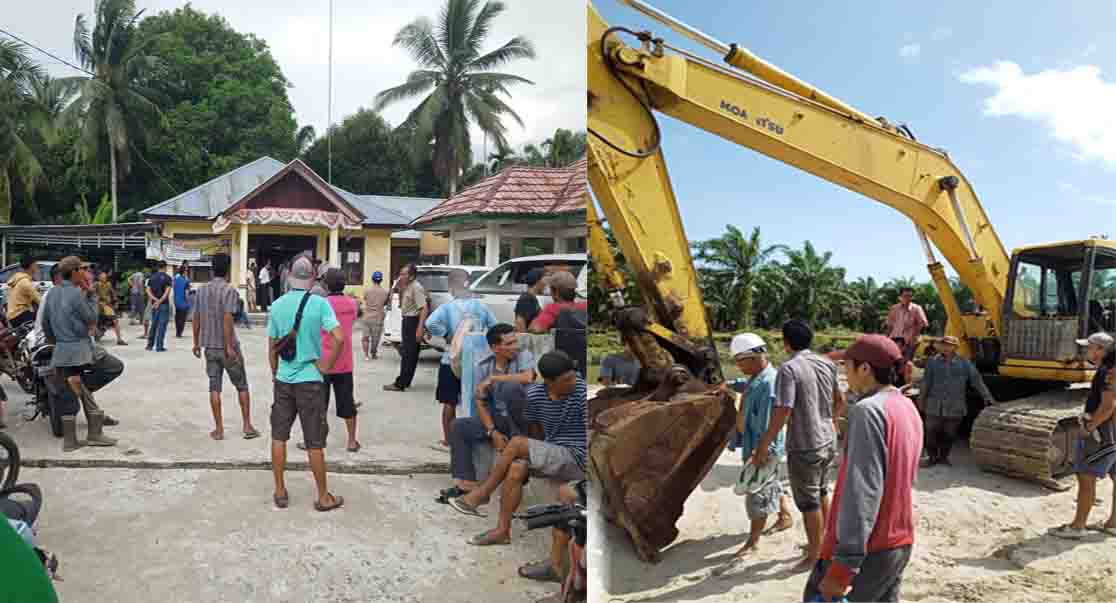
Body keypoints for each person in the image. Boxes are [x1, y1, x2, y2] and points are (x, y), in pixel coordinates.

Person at [802, 335, 922, 603]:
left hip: (869, 548)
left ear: (865, 369)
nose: (845, 373)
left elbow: (862, 492)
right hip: (899, 543)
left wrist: (844, 564)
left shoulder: (868, 411)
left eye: (847, 366)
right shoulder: (907, 406)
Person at [449, 351, 587, 547]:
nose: (573, 381)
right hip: (556, 453)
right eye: (566, 379)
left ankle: (482, 493)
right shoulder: (536, 396)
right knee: (517, 467)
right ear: (549, 382)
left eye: (573, 376)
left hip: (580, 456)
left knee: (517, 443)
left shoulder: (580, 392)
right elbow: (536, 431)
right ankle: (502, 531)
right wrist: (537, 453)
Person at [751, 319, 845, 572]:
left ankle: (815, 556)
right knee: (822, 491)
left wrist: (763, 445)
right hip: (828, 440)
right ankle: (824, 545)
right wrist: (832, 423)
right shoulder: (827, 363)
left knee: (808, 502)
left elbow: (783, 410)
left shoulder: (789, 369)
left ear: (786, 342)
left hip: (805, 444)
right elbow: (840, 400)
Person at [267, 256, 345, 512]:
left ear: (289, 276)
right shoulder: (320, 304)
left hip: (284, 381)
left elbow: (272, 348)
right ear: (312, 278)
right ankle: (323, 497)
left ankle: (280, 491)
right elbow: (339, 338)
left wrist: (277, 373)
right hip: (311, 381)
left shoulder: (277, 305)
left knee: (279, 437)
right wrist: (325, 365)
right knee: (314, 442)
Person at [440, 323, 535, 501]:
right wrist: (493, 432)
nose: (515, 346)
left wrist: (494, 378)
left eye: (515, 341)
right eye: (509, 343)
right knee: (458, 427)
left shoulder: (523, 356)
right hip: (498, 418)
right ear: (495, 348)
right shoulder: (483, 365)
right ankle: (466, 485)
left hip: (522, 418)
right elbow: (480, 401)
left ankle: (519, 456)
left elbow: (528, 377)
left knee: (511, 388)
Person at [721, 333, 794, 558]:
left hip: (762, 447)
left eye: (739, 362)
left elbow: (766, 426)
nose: (738, 367)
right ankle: (785, 516)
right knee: (769, 482)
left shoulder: (768, 385)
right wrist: (730, 384)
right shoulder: (757, 377)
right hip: (755, 443)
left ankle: (753, 541)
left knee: (756, 492)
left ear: (753, 358)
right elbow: (746, 385)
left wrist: (761, 452)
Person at [41, 256, 120, 451]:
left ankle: (72, 441)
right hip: (79, 351)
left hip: (61, 350)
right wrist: (91, 296)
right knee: (93, 378)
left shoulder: (52, 293)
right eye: (82, 269)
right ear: (75, 272)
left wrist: (55, 342)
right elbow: (92, 318)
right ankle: (94, 434)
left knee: (71, 391)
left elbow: (45, 323)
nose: (85, 272)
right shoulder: (76, 294)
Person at [1050, 332, 1116, 539]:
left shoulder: (1107, 373)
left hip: (1102, 433)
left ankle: (1078, 526)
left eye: (1089, 347)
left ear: (1100, 350)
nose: (1086, 351)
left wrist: (1089, 427)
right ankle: (1113, 524)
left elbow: (1107, 406)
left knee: (1086, 478)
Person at [423, 269, 498, 447]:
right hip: (477, 361)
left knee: (449, 402)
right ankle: (477, 436)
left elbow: (430, 323)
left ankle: (449, 440)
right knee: (477, 399)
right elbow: (495, 326)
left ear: (451, 287)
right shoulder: (481, 306)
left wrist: (447, 333)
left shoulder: (447, 307)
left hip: (451, 359)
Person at [192, 253, 259, 442]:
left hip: (209, 347)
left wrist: (196, 343)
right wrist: (230, 346)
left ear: (212, 268)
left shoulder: (201, 290)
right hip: (227, 347)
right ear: (227, 269)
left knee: (214, 387)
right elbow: (228, 318)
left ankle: (219, 429)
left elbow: (196, 318)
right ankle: (247, 426)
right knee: (242, 385)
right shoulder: (229, 291)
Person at [296, 268, 361, 453]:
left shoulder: (319, 304)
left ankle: (314, 440)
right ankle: (351, 441)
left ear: (325, 284)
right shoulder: (352, 304)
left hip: (322, 363)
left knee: (317, 404)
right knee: (347, 402)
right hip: (345, 362)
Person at [918, 335, 995, 467]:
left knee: (950, 433)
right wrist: (921, 400)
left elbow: (976, 381)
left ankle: (943, 457)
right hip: (934, 404)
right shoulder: (932, 362)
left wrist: (988, 397)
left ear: (955, 347)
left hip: (955, 405)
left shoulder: (965, 363)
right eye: (944, 344)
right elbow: (926, 383)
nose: (946, 347)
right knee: (931, 432)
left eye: (949, 345)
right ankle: (932, 457)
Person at [530, 271, 587, 377]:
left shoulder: (553, 308)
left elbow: (537, 329)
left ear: (555, 292)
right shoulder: (585, 306)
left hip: (561, 364)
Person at [384, 264, 428, 393]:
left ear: (412, 276)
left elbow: (424, 308)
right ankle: (405, 380)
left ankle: (401, 383)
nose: (401, 276)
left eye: (404, 274)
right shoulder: (407, 286)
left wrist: (420, 328)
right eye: (400, 273)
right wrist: (397, 287)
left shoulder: (416, 287)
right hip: (407, 320)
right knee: (409, 353)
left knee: (409, 354)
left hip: (413, 321)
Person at [885, 287, 928, 362]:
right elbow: (890, 324)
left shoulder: (916, 308)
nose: (908, 298)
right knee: (892, 361)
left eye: (910, 296)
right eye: (905, 296)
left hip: (910, 341)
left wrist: (913, 337)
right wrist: (886, 338)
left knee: (906, 363)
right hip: (895, 339)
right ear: (900, 297)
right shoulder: (894, 308)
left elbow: (922, 324)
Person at [361, 271, 390, 360]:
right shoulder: (385, 292)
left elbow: (365, 299)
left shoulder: (367, 290)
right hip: (378, 317)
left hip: (367, 317)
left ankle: (366, 356)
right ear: (381, 280)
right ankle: (373, 354)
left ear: (372, 279)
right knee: (375, 338)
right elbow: (385, 304)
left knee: (365, 337)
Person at [6, 258, 40, 329]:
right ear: (31, 266)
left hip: (13, 314)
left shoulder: (18, 278)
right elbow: (40, 300)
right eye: (35, 265)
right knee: (35, 333)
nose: (37, 267)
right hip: (20, 315)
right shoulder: (25, 282)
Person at [95, 271, 127, 346]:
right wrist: (98, 299)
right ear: (99, 278)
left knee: (115, 320)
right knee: (94, 321)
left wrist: (115, 302)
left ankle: (119, 339)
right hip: (98, 305)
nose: (104, 279)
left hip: (107, 306)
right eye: (102, 277)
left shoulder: (108, 284)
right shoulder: (96, 284)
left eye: (105, 277)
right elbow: (92, 293)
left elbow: (113, 293)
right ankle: (93, 339)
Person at [146, 261, 173, 351]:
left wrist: (156, 300)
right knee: (162, 325)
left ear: (158, 267)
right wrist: (160, 301)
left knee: (154, 324)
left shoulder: (152, 277)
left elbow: (148, 291)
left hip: (154, 304)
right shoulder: (168, 278)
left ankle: (149, 345)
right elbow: (167, 292)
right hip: (163, 304)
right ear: (165, 267)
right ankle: (159, 346)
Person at [514, 268, 547, 332]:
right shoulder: (526, 299)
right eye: (544, 280)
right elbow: (519, 323)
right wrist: (525, 340)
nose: (546, 284)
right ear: (538, 281)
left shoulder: (531, 298)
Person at [173, 265, 193, 338]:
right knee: (182, 318)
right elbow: (186, 294)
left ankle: (177, 332)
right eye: (186, 271)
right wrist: (188, 302)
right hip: (183, 303)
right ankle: (179, 333)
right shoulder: (186, 281)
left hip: (176, 302)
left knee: (177, 317)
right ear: (184, 272)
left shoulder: (175, 280)